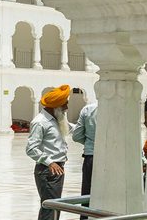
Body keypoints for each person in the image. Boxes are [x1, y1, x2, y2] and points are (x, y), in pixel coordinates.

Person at [27, 85, 72, 220]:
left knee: (55, 206)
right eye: (64, 105)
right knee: (50, 207)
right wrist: (50, 162)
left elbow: (72, 128)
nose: (66, 108)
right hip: (48, 170)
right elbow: (31, 148)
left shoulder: (57, 119)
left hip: (58, 168)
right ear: (56, 107)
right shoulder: (40, 122)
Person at [71, 101, 98, 198]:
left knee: (87, 193)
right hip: (114, 158)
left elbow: (76, 136)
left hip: (91, 156)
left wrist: (90, 142)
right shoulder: (122, 108)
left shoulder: (88, 109)